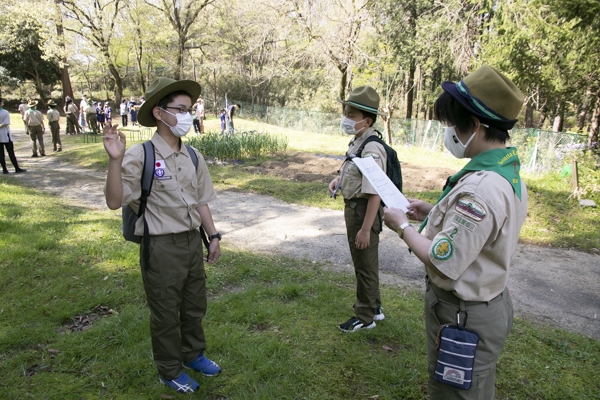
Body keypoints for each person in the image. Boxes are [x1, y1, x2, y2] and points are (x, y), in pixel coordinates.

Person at [382, 65, 527, 399]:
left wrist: (402, 226)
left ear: (475, 126)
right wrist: (434, 212)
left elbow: (442, 259)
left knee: (455, 394)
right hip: (483, 308)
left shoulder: (480, 188)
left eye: (452, 125)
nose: (450, 133)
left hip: (464, 318)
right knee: (474, 389)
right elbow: (484, 235)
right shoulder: (505, 171)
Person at [103, 77, 222, 394]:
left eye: (190, 109)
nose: (187, 115)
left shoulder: (193, 156)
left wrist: (214, 236)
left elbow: (201, 201)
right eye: (180, 109)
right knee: (166, 312)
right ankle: (169, 370)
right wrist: (115, 160)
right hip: (161, 246)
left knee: (194, 305)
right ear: (159, 113)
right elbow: (115, 201)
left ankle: (193, 354)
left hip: (191, 241)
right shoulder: (140, 156)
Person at [327, 86, 387, 332]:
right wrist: (338, 180)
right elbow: (353, 170)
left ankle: (365, 317)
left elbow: (375, 192)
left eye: (352, 115)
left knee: (364, 264)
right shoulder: (359, 141)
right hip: (354, 209)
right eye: (346, 113)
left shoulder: (372, 148)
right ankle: (375, 308)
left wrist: (365, 229)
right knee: (365, 262)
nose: (346, 119)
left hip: (364, 213)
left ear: (367, 120)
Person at [0, 97, 27, 174]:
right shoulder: (5, 112)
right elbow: (6, 123)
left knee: (1, 153)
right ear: (1, 103)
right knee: (10, 152)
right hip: (5, 133)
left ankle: (4, 169)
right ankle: (16, 168)